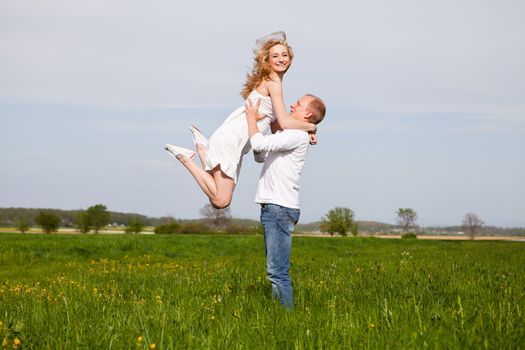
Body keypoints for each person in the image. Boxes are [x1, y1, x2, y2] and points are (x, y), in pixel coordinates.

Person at [164, 32, 316, 209]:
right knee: (221, 201)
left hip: (236, 142)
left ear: (290, 59)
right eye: (275, 56)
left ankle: (203, 150)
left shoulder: (271, 81)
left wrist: (300, 130)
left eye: (284, 55)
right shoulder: (274, 82)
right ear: (267, 61)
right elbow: (284, 121)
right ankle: (186, 158)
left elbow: (277, 127)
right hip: (232, 140)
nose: (281, 59)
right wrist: (311, 126)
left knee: (218, 201)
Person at [245, 94, 326, 309]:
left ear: (307, 114)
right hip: (273, 206)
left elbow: (259, 142)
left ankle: (286, 319)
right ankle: (281, 315)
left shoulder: (296, 136)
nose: (292, 104)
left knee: (277, 272)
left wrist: (251, 119)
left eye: (298, 103)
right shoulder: (292, 134)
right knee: (275, 269)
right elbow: (260, 154)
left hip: (279, 208)